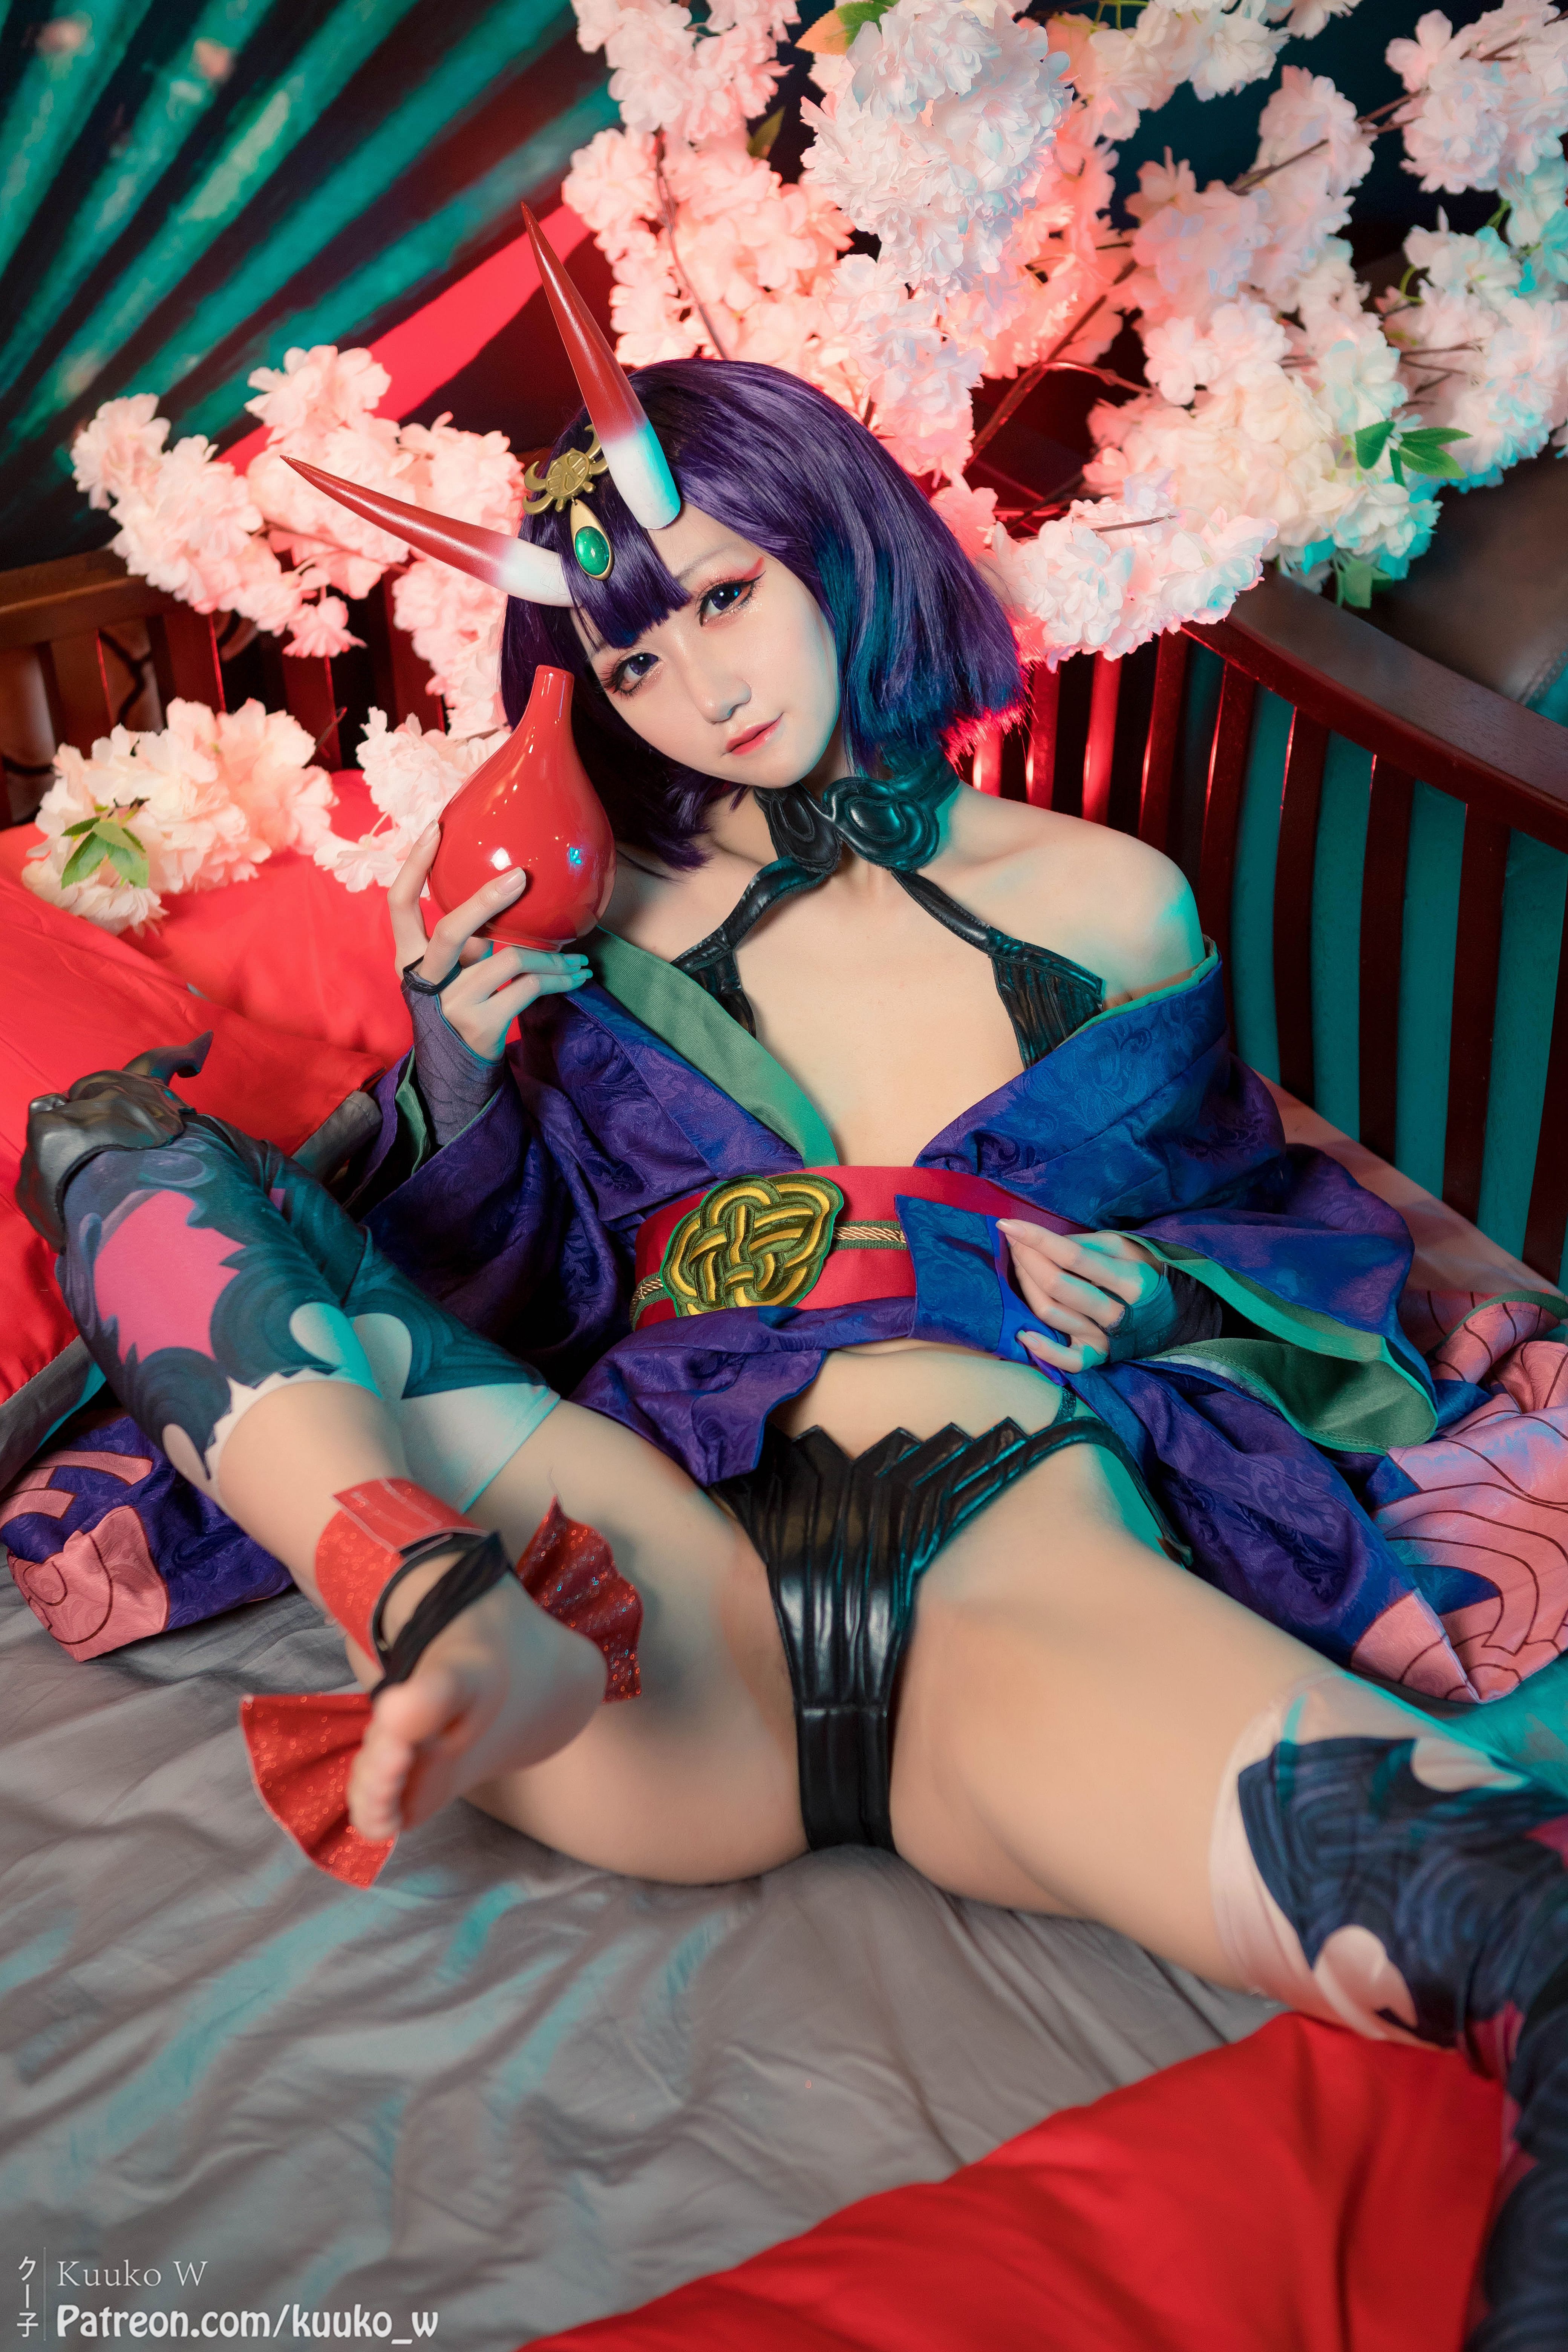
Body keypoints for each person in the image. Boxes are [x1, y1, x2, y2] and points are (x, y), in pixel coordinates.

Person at [18, 212, 1568, 2345]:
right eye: (634, 665)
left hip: (1014, 1586)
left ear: (837, 547)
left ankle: (463, 1627)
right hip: (644, 1584)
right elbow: (503, 1280)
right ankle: (431, 1606)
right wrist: (460, 1062)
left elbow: (1264, 1225)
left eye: (728, 598)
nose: (704, 689)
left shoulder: (1108, 902)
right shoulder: (590, 938)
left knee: (1529, 1943)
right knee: (108, 1141)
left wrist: (1157, 1305)